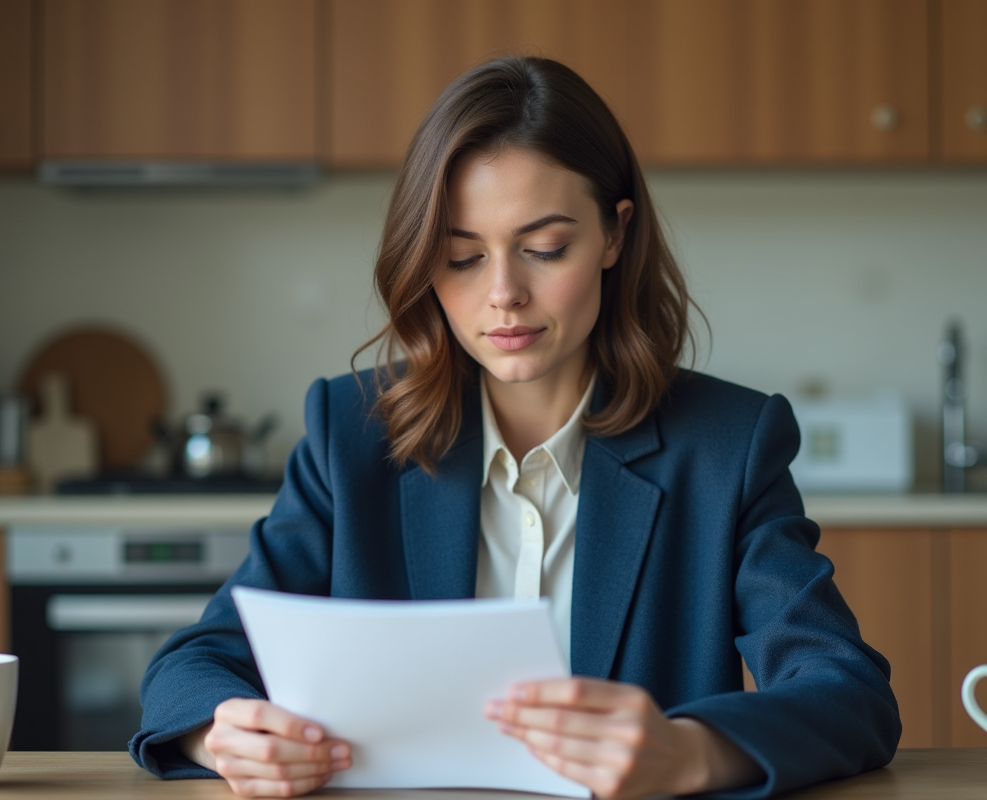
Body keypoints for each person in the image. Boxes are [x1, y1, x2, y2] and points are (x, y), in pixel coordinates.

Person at [131, 56, 900, 799]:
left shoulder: (728, 446)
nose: (504, 293)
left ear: (615, 234)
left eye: (544, 249)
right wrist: (222, 736)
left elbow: (846, 690)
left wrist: (689, 753)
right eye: (462, 257)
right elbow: (194, 664)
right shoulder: (350, 432)